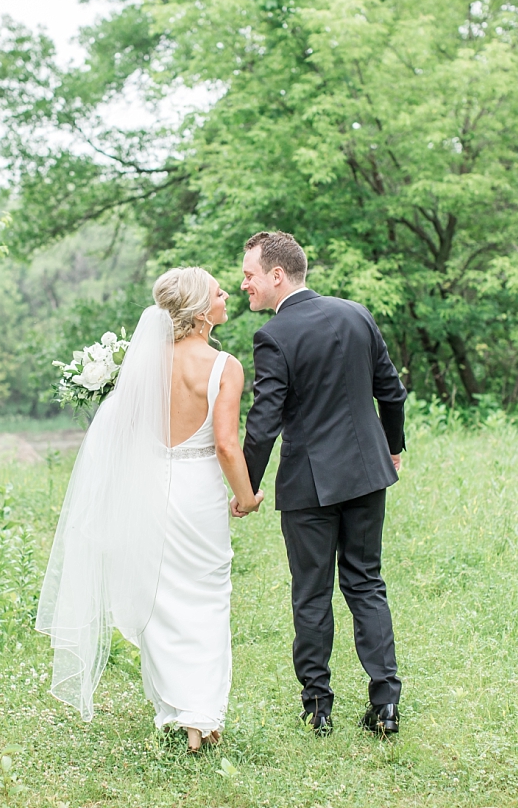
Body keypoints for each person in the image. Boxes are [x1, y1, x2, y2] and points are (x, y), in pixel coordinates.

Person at [37, 267, 263, 753]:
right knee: (207, 597)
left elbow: (121, 434)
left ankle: (177, 712)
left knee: (159, 597)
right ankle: (200, 716)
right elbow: (226, 444)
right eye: (220, 292)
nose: (228, 296)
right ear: (203, 312)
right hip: (198, 491)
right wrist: (246, 497)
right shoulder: (225, 366)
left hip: (150, 488)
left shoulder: (143, 363)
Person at [233, 230, 407, 737]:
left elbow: (263, 423)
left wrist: (244, 488)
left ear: (277, 275)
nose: (244, 284)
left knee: (311, 593)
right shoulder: (357, 314)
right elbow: (391, 392)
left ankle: (318, 707)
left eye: (249, 274)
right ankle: (386, 705)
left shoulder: (275, 337)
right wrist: (392, 447)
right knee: (366, 582)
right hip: (368, 473)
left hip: (310, 484)